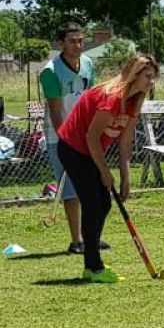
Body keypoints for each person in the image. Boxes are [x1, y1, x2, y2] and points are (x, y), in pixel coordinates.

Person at [56, 54, 158, 283]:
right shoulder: (112, 98)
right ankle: (93, 265)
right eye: (148, 77)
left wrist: (125, 177)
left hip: (90, 151)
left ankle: (92, 259)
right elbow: (91, 137)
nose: (152, 82)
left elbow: (125, 142)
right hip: (73, 148)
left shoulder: (135, 100)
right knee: (93, 202)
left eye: (154, 77)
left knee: (103, 203)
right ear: (134, 75)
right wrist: (104, 171)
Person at [39, 22, 109, 255]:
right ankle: (76, 240)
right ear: (61, 43)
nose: (77, 45)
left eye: (80, 40)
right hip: (60, 137)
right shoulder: (50, 71)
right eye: (72, 41)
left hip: (85, 136)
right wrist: (67, 140)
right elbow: (56, 111)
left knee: (91, 187)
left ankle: (91, 237)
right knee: (70, 190)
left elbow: (92, 99)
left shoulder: (88, 64)